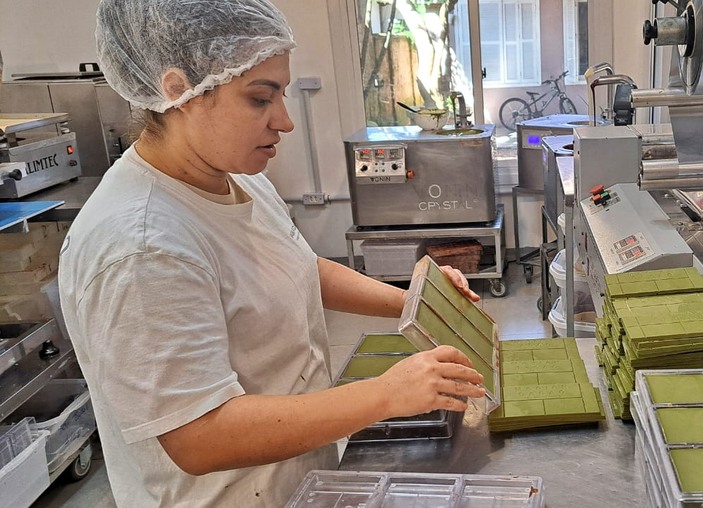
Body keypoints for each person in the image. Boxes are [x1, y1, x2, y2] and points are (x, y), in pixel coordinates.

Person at [57, 0, 485, 506]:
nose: (285, 121)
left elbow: (298, 266)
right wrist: (386, 394)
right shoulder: (142, 246)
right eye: (260, 99)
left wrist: (414, 299)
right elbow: (199, 436)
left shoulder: (233, 177)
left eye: (280, 94)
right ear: (178, 92)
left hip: (295, 481)